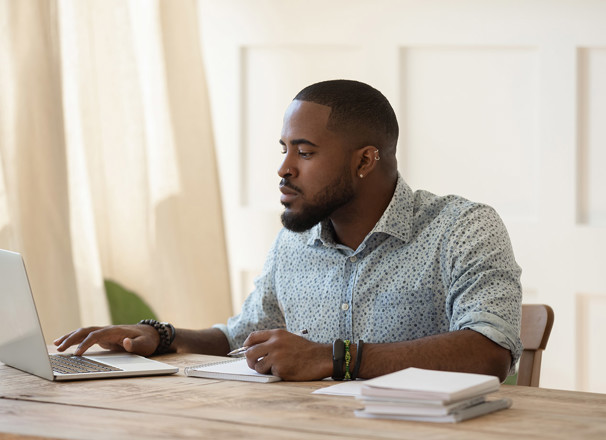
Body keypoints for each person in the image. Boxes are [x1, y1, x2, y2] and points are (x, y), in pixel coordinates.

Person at [55, 79, 522, 382]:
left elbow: (489, 352)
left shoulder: (463, 228)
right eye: (284, 148)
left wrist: (335, 358)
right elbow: (246, 333)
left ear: (364, 160)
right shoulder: (296, 238)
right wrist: (162, 335)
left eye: (305, 152)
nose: (283, 168)